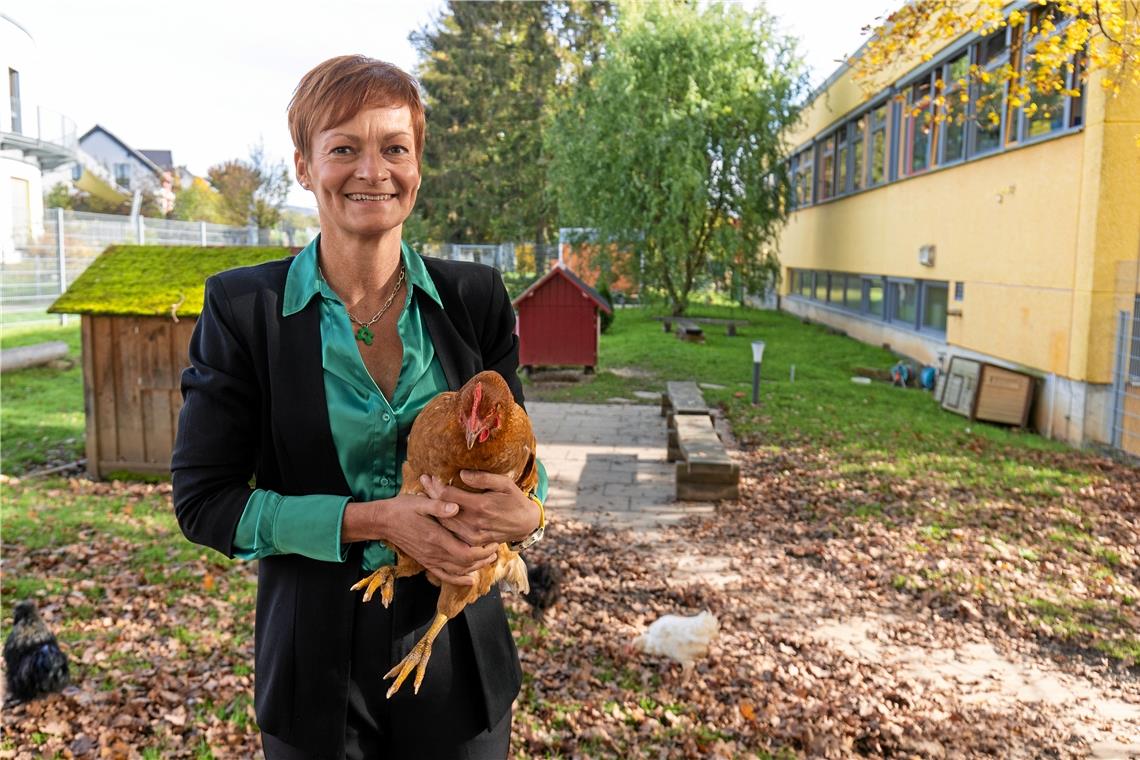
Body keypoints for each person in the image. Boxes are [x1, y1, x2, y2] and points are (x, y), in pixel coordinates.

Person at [171, 55, 547, 759]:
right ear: (305, 167)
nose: (373, 170)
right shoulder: (243, 309)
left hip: (459, 654)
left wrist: (531, 512)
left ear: (418, 165)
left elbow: (521, 457)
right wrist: (373, 520)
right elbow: (205, 502)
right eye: (344, 148)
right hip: (312, 668)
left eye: (394, 148)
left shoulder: (475, 300)